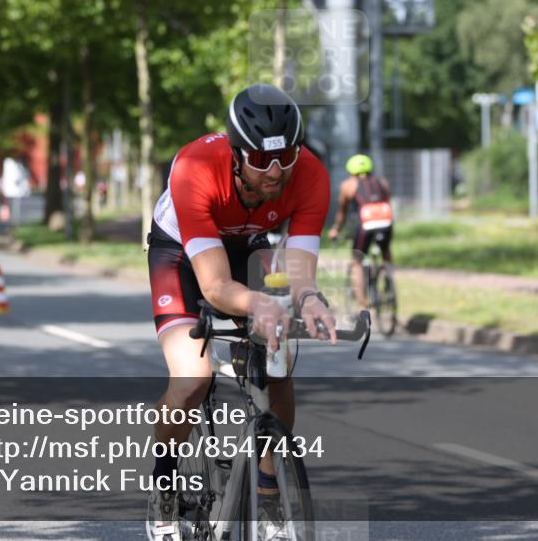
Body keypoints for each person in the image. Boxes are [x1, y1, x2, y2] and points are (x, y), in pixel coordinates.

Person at [145, 84, 336, 540]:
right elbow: (214, 286)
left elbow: (301, 273)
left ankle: (268, 493)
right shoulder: (194, 168)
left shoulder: (310, 174)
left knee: (277, 361)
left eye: (285, 157)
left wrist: (308, 300)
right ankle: (164, 488)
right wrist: (259, 303)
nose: (276, 171)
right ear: (236, 155)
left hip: (247, 242)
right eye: (262, 159)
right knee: (192, 379)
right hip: (182, 251)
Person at [327, 154, 394, 310]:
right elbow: (387, 202)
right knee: (385, 250)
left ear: (351, 170)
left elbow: (342, 212)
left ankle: (362, 302)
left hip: (366, 224)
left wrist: (336, 229)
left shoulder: (348, 185)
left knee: (357, 260)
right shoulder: (382, 182)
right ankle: (389, 281)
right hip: (386, 221)